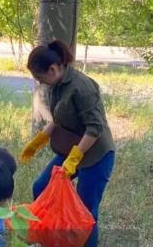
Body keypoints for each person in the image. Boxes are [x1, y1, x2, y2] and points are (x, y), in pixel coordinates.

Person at [20, 40, 115, 247]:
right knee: (41, 187)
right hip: (71, 148)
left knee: (85, 211)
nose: (39, 82)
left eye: (39, 77)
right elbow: (59, 117)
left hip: (96, 154)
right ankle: (53, 237)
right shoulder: (56, 85)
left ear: (53, 69)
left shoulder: (82, 87)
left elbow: (95, 128)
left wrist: (74, 158)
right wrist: (39, 141)